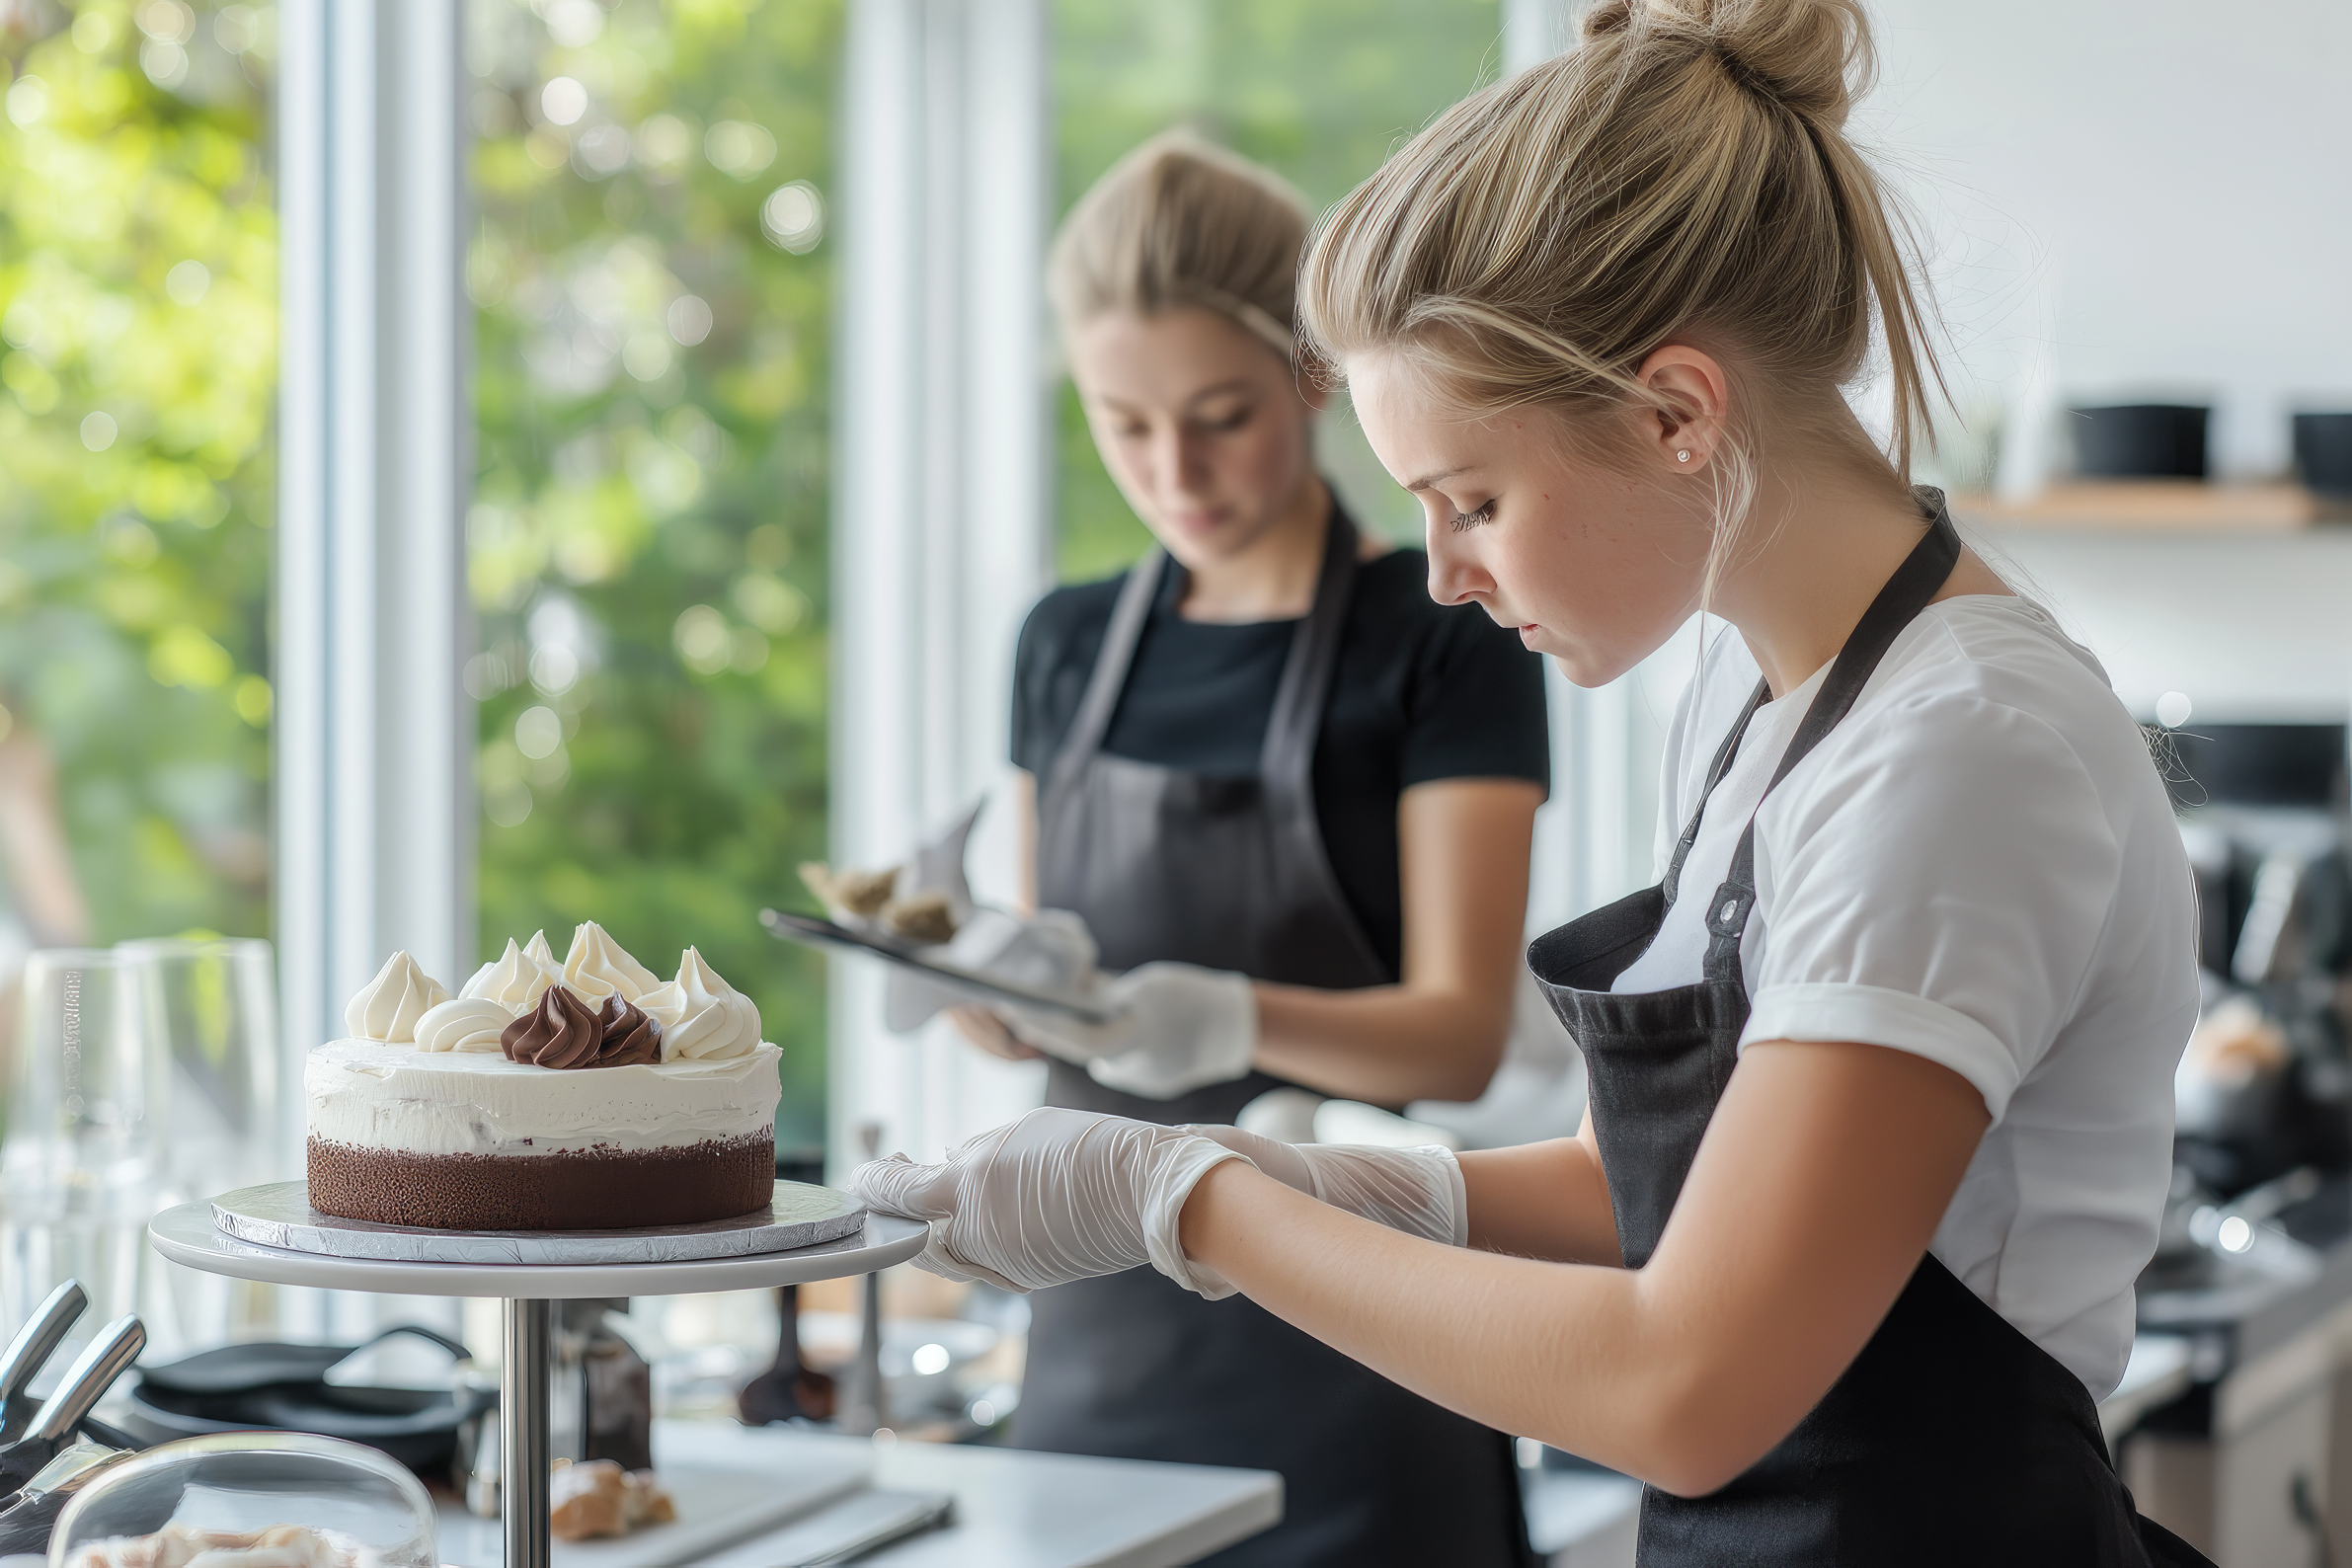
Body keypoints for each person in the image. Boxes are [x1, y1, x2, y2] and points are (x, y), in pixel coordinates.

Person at [855, 4, 2218, 1564]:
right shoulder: (1751, 687)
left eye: (1472, 498)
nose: (1439, 574)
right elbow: (1616, 1189)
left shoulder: (1960, 751)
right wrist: (1281, 1170)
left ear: (1673, 414)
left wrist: (1184, 1200)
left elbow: (1689, 1386)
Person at [948, 134, 1551, 1566]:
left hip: (1366, 1348)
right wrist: (981, 982)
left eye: (1218, 413)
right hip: (1097, 1339)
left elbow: (1457, 1042)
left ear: (1310, 374)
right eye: (1123, 423)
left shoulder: (1441, 634)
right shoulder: (1066, 644)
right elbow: (1058, 984)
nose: (1176, 471)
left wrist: (1218, 1015)